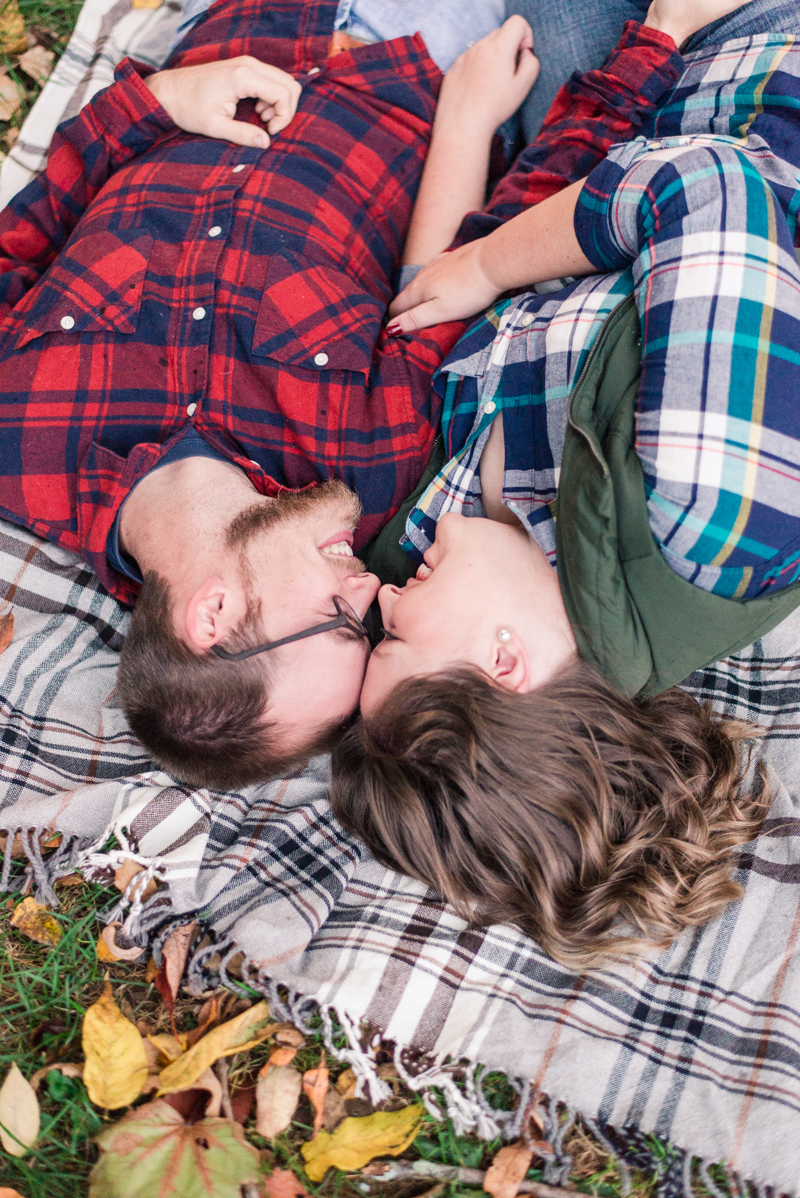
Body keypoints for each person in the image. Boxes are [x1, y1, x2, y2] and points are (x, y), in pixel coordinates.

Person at [330, 0, 800, 968]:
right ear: (503, 666)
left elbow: (418, 325)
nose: (376, 595)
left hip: (631, 103)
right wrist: (487, 264)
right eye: (396, 634)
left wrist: (464, 148)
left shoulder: (440, 547)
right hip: (761, 74)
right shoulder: (709, 526)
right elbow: (711, 186)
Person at [0, 0, 543, 788]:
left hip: (249, 27)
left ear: (211, 615)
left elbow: (26, 233)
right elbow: (446, 277)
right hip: (421, 60)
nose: (369, 588)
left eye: (335, 619)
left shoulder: (19, 437)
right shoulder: (365, 477)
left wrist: (155, 103)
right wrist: (469, 116)